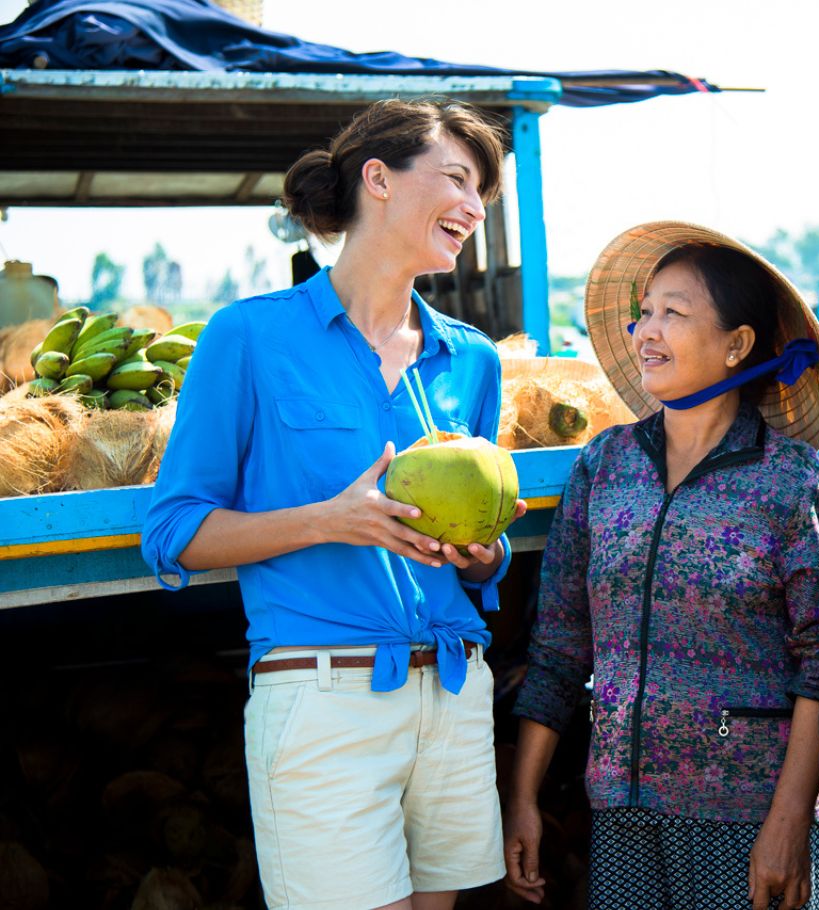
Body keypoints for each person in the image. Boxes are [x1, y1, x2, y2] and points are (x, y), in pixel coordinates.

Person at [141, 100, 523, 910]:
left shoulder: (474, 360)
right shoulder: (247, 337)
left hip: (453, 692)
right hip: (322, 698)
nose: (473, 207)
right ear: (377, 179)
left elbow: (484, 551)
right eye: (457, 179)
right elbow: (175, 531)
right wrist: (328, 519)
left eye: (482, 195)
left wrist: (483, 552)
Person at [503, 222, 819, 910]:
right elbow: (560, 649)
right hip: (622, 812)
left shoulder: (789, 481)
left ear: (736, 346)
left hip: (747, 816)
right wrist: (522, 798)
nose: (647, 331)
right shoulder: (605, 465)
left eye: (674, 313)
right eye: (645, 312)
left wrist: (787, 822)